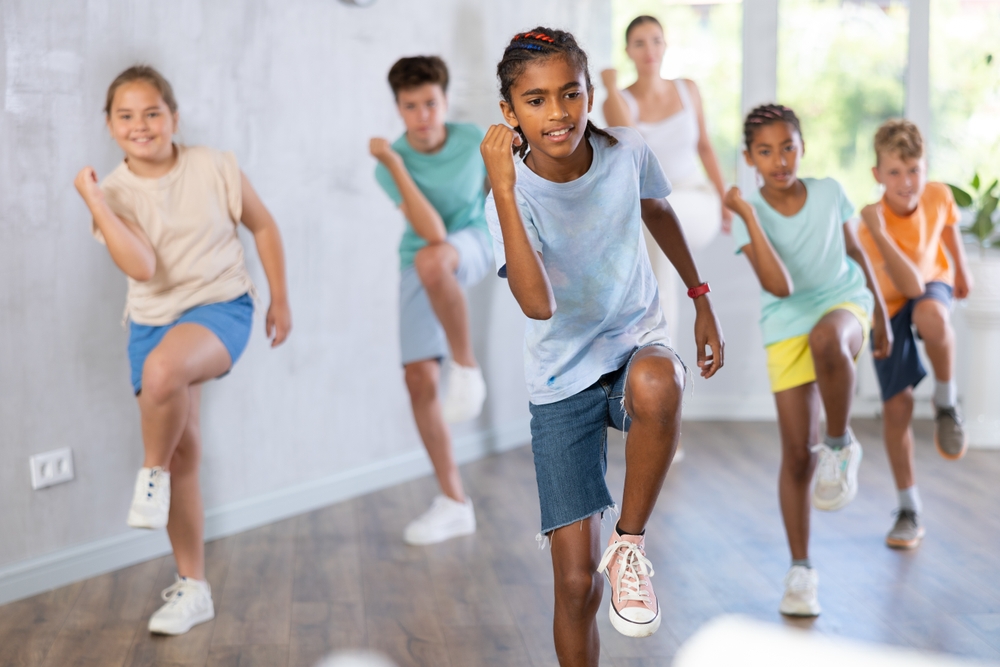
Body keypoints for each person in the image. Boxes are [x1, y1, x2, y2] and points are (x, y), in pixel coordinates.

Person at [482, 28, 724, 666]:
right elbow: (537, 304)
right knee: (572, 585)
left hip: (631, 344)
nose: (557, 113)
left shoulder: (628, 150)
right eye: (535, 101)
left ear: (590, 93)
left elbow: (659, 211)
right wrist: (504, 188)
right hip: (560, 379)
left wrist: (700, 298)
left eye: (570, 93)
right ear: (509, 114)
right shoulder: (509, 200)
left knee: (659, 382)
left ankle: (630, 543)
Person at [73, 65, 291, 635]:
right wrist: (95, 200)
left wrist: (279, 300)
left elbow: (264, 226)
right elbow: (142, 267)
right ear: (109, 124)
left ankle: (148, 474)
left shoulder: (214, 165)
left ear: (174, 116)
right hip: (150, 320)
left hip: (221, 308)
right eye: (126, 116)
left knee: (164, 373)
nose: (140, 125)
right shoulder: (113, 192)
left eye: (152, 112)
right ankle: (193, 588)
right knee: (185, 455)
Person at [724, 104, 890, 618]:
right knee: (796, 455)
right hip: (784, 324)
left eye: (788, 146)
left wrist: (881, 314)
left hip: (843, 304)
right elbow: (780, 287)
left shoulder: (828, 191)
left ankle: (840, 447)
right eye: (766, 151)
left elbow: (858, 255)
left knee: (827, 340)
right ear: (750, 158)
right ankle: (801, 572)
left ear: (802, 146)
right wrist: (749, 214)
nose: (780, 160)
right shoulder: (746, 216)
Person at [370, 56, 492, 545]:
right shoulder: (391, 162)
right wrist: (397, 166)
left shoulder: (472, 140)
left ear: (444, 99)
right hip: (423, 255)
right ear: (398, 108)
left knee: (436, 260)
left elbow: (498, 199)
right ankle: (454, 502)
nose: (422, 115)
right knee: (418, 379)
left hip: (475, 240)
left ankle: (465, 367)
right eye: (410, 106)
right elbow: (429, 232)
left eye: (430, 103)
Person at [856, 119, 972, 550]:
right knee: (897, 407)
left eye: (914, 170)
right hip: (886, 306)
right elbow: (905, 287)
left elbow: (946, 227)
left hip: (931, 283)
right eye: (894, 173)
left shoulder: (938, 193)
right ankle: (908, 508)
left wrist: (959, 267)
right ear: (877, 176)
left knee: (932, 318)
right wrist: (882, 231)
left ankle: (946, 401)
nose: (907, 183)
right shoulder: (869, 226)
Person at [602, 15, 731, 345]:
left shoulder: (687, 89)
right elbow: (627, 139)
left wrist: (726, 198)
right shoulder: (617, 100)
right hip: (654, 204)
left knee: (654, 221)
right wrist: (611, 87)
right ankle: (659, 347)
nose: (650, 49)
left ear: (666, 45)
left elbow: (705, 146)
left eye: (656, 40)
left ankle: (660, 343)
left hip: (696, 198)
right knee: (653, 221)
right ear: (628, 51)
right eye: (640, 43)